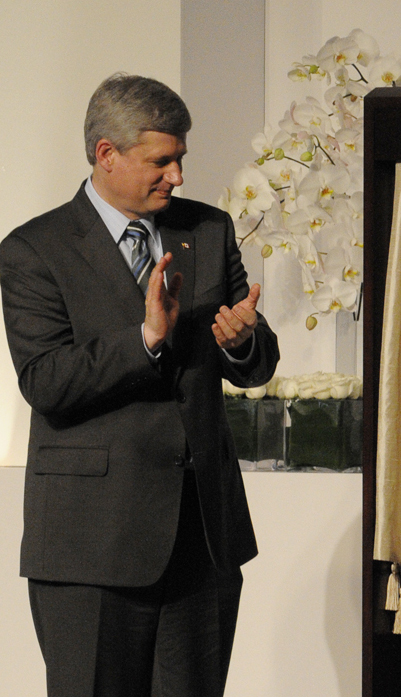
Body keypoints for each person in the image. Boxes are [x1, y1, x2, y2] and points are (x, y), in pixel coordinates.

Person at [0, 74, 279, 696]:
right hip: (90, 549)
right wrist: (145, 338)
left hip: (203, 540)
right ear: (107, 154)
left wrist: (242, 342)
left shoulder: (209, 229)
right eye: (162, 160)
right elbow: (46, 383)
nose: (178, 175)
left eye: (181, 158)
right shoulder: (33, 250)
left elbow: (256, 362)